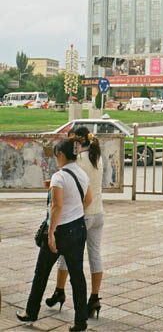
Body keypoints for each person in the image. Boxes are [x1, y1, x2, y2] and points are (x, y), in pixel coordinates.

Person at [17, 139, 91, 331]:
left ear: (61, 155)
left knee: (41, 273)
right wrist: (75, 210)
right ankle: (80, 321)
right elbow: (88, 199)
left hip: (60, 231)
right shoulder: (82, 173)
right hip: (78, 228)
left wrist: (51, 233)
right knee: (77, 277)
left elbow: (57, 206)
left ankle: (31, 312)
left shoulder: (59, 176)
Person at [46, 126, 104, 320]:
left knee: (66, 255)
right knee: (95, 255)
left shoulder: (77, 161)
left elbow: (70, 188)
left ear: (77, 142)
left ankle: (60, 291)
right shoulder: (97, 157)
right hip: (98, 214)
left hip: (82, 215)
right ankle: (94, 297)